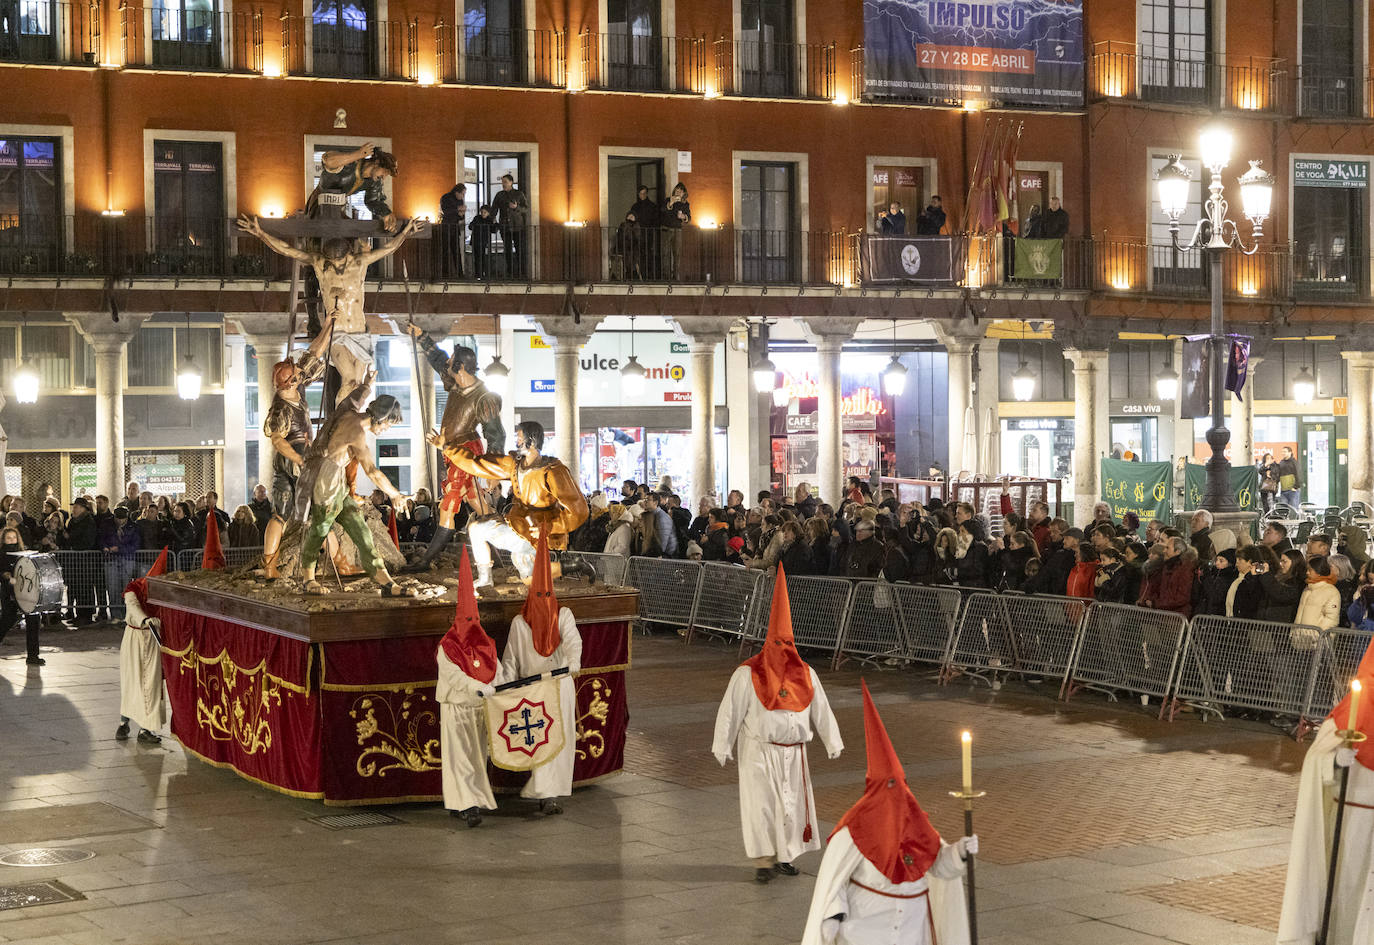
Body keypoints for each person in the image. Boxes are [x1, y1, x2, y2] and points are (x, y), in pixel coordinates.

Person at [801, 681, 977, 945]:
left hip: (910, 931)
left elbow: (938, 865)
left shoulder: (915, 824)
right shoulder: (854, 832)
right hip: (865, 932)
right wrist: (830, 918)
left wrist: (959, 853)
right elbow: (834, 882)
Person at [714, 564, 843, 883]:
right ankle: (763, 860)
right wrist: (723, 744)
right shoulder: (748, 675)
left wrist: (832, 740)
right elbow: (730, 710)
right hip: (760, 751)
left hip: (794, 753)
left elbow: (821, 709)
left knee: (791, 807)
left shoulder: (806, 674)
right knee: (762, 807)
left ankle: (786, 855)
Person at [238, 217, 417, 403]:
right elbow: (288, 250)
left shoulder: (360, 262)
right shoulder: (320, 263)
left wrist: (405, 233)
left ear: (348, 253)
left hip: (359, 331)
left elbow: (388, 249)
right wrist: (260, 233)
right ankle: (339, 421)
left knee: (358, 384)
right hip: (337, 332)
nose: (337, 267)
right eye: (333, 262)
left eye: (340, 262)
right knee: (348, 380)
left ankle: (350, 420)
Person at [1277, 640, 1373, 945]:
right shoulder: (1361, 702)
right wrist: (1335, 759)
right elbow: (1317, 757)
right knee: (1348, 897)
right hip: (1355, 825)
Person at [294, 379, 412, 597]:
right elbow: (372, 471)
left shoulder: (350, 413)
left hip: (336, 479)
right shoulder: (357, 431)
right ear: (382, 418)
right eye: (389, 424)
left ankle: (384, 581)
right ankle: (308, 579)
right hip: (326, 478)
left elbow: (351, 400)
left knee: (360, 528)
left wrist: (367, 384)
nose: (386, 429)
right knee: (320, 527)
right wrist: (395, 494)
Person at [403, 324, 504, 572]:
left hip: (466, 453)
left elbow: (496, 435)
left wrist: (492, 471)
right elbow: (439, 360)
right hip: (452, 452)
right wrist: (422, 337)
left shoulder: (484, 397)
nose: (446, 366)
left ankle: (426, 561)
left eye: (451, 364)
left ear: (460, 368)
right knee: (479, 506)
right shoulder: (455, 382)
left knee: (448, 505)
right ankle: (501, 559)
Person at [442, 421, 590, 586]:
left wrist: (549, 527)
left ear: (532, 441)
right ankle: (485, 579)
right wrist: (448, 449)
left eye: (519, 438)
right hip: (519, 527)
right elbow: (478, 465)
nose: (516, 442)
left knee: (529, 578)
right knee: (528, 578)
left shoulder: (554, 471)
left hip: (538, 536)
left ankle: (574, 565)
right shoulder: (515, 465)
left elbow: (579, 511)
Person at [498, 535, 582, 814]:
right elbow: (510, 659)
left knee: (561, 741)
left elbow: (573, 644)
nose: (544, 602)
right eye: (539, 596)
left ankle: (552, 794)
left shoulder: (565, 616)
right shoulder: (519, 624)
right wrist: (506, 686)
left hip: (559, 687)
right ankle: (544, 792)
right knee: (541, 742)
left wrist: (571, 664)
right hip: (533, 691)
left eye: (548, 596)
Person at [436, 548, 504, 827]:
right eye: (467, 621)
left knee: (478, 758)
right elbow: (455, 678)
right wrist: (479, 686)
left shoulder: (486, 644)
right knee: (460, 758)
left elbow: (497, 669)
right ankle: (466, 804)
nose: (472, 625)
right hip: (457, 708)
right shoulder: (447, 647)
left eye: (475, 620)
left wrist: (498, 687)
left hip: (479, 711)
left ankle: (469, 799)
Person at [116, 548, 170, 744]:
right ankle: (123, 723)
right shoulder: (133, 589)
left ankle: (146, 729)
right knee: (132, 682)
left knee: (151, 685)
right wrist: (145, 619)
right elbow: (133, 607)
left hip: (154, 642)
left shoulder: (165, 594)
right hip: (135, 639)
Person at [305, 141, 399, 231]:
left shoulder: (374, 181)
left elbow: (373, 201)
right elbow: (328, 160)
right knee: (314, 233)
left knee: (350, 235)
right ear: (377, 163)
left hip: (338, 209)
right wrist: (358, 154)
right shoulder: (351, 163)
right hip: (319, 204)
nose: (384, 177)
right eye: (385, 172)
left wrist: (386, 213)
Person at [0, 527, 43, 665]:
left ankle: (33, 656)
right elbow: (3, 572)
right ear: (3, 540)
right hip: (9, 592)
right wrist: (8, 577)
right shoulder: (1, 554)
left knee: (33, 620)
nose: (12, 541)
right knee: (8, 620)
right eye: (9, 538)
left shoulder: (24, 553)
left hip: (25, 591)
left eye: (14, 538)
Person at [104, 507, 140, 623]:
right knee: (113, 587)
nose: (119, 521)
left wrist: (119, 549)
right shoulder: (108, 525)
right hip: (111, 559)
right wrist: (104, 547)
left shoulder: (133, 526)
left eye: (122, 519)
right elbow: (101, 538)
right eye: (117, 518)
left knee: (126, 588)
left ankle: (127, 614)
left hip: (127, 559)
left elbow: (135, 545)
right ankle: (116, 614)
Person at [492, 173, 529, 277]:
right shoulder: (499, 195)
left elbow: (526, 209)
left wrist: (516, 207)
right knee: (507, 250)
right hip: (505, 226)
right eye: (502, 182)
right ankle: (510, 272)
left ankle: (522, 273)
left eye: (505, 182)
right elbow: (494, 208)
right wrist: (493, 219)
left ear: (511, 182)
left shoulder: (519, 194)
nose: (503, 184)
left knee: (520, 250)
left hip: (518, 226)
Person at [1258, 549, 1308, 624]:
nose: (1281, 564)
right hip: (1271, 623)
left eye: (1284, 561)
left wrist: (1266, 575)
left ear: (1295, 562)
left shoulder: (1298, 582)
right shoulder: (1279, 577)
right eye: (1280, 561)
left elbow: (1280, 594)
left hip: (1283, 626)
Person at [1295, 555, 1342, 632]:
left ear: (1319, 572)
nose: (1307, 572)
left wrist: (1317, 634)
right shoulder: (1307, 589)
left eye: (1310, 570)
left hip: (1317, 640)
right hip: (1300, 638)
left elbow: (1331, 619)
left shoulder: (1331, 591)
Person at [662, 182, 691, 279]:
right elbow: (663, 211)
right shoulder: (668, 200)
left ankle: (676, 275)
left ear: (684, 193)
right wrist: (670, 203)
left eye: (680, 191)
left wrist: (684, 217)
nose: (678, 192)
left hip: (677, 230)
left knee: (677, 253)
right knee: (665, 253)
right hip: (667, 229)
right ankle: (666, 275)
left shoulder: (685, 204)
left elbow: (689, 218)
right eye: (677, 190)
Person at [438, 182, 467, 277]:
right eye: (462, 194)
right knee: (445, 252)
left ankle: (460, 274)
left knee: (457, 252)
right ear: (456, 192)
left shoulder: (460, 201)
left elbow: (460, 217)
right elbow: (445, 211)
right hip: (446, 227)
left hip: (455, 228)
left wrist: (461, 214)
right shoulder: (446, 197)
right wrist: (458, 209)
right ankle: (445, 274)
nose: (463, 196)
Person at [469, 204, 494, 279]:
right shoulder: (477, 218)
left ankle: (482, 273)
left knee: (482, 257)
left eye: (485, 212)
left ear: (488, 213)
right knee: (477, 258)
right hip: (476, 240)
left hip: (483, 242)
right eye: (482, 212)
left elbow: (493, 230)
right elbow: (470, 226)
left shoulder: (489, 220)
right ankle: (478, 274)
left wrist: (495, 223)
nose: (483, 214)